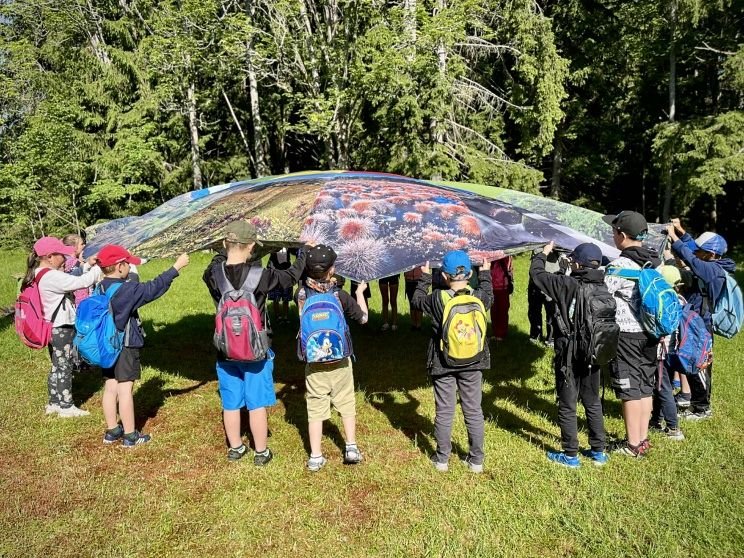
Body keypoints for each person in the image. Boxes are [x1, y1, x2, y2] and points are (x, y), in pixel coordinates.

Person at [203, 221, 308, 464]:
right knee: (256, 403)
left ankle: (236, 448)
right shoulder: (261, 275)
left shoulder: (214, 275)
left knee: (230, 403)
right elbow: (291, 276)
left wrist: (222, 252)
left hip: (226, 349)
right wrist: (304, 253)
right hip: (256, 349)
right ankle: (261, 452)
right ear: (251, 246)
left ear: (226, 243)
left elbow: (210, 267)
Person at [98, 245, 189, 447]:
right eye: (128, 264)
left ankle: (112, 430)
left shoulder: (100, 286)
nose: (130, 267)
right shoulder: (126, 290)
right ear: (119, 266)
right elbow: (153, 288)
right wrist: (176, 267)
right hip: (124, 345)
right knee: (125, 389)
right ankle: (130, 435)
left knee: (110, 386)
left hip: (105, 345)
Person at [530, 242, 611, 467]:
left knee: (567, 403)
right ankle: (598, 451)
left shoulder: (566, 284)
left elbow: (537, 274)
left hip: (569, 352)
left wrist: (544, 253)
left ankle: (570, 455)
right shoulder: (603, 285)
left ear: (577, 263)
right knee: (592, 401)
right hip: (594, 351)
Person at [412, 250, 492, 473]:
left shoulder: (437, 298)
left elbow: (416, 301)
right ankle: (476, 461)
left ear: (444, 276)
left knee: (445, 410)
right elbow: (489, 294)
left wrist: (424, 278)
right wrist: (485, 274)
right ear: (470, 274)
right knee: (473, 410)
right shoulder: (479, 296)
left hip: (443, 361)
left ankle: (442, 459)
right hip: (474, 361)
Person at [296, 245, 369, 472]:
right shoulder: (340, 295)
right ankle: (351, 448)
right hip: (340, 361)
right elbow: (363, 319)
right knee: (346, 402)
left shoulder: (301, 294)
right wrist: (360, 293)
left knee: (315, 407)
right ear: (333, 269)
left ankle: (316, 456)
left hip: (314, 361)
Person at [20, 237, 102, 417]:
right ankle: (66, 406)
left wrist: (87, 265)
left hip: (51, 327)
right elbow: (81, 283)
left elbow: (72, 279)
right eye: (61, 255)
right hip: (61, 327)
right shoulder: (51, 276)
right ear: (50, 257)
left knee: (57, 365)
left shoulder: (38, 274)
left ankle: (54, 403)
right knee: (65, 365)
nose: (65, 258)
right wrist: (97, 267)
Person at [603, 211, 661, 458]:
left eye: (614, 232)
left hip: (626, 335)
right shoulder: (654, 260)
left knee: (629, 389)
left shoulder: (620, 265)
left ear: (622, 235)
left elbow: (602, 295)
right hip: (652, 333)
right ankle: (642, 439)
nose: (613, 236)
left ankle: (632, 444)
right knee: (645, 387)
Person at [667, 219, 735, 420]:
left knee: (701, 366)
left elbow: (691, 258)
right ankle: (695, 403)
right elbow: (692, 249)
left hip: (703, 324)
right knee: (691, 361)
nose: (696, 252)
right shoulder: (710, 262)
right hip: (695, 320)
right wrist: (681, 232)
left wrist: (673, 237)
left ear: (711, 255)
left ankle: (702, 409)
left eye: (700, 251)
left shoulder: (713, 270)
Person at [650, 265, 685, 440]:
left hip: (661, 352)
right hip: (673, 352)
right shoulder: (680, 299)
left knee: (663, 389)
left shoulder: (663, 299)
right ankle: (656, 419)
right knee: (663, 386)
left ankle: (673, 428)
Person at [528, 249, 559, 345]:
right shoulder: (536, 239)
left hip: (551, 277)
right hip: (536, 278)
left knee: (552, 311)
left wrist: (552, 248)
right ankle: (535, 336)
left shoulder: (559, 240)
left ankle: (551, 339)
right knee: (534, 310)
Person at [62, 233, 92, 307]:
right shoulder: (72, 262)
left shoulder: (65, 260)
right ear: (73, 247)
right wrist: (81, 261)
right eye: (81, 244)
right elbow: (82, 268)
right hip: (80, 299)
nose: (84, 246)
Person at [489, 256, 513, 341]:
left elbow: (509, 266)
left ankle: (501, 334)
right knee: (494, 310)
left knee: (502, 309)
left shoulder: (505, 254)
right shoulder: (491, 253)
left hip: (503, 285)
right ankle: (495, 332)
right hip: (492, 284)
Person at [267, 248, 293, 324]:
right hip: (275, 272)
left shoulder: (288, 246)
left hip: (286, 272)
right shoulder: (274, 245)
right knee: (276, 297)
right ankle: (277, 316)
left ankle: (285, 316)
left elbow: (294, 251)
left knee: (286, 297)